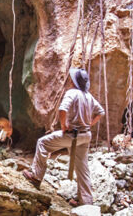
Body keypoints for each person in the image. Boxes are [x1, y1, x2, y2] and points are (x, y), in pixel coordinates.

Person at [22, 68, 105, 206]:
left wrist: (64, 125)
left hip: (72, 134)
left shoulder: (72, 93)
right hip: (86, 135)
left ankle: (36, 176)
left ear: (73, 81)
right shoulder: (88, 96)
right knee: (82, 167)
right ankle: (86, 201)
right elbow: (100, 112)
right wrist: (90, 123)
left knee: (42, 143)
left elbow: (62, 109)